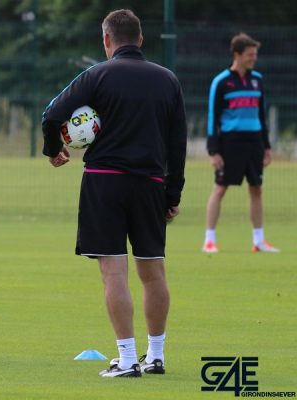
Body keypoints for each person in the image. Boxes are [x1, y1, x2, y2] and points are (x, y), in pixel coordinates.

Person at [42, 9, 186, 378]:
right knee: (153, 272)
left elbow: (51, 115)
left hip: (104, 181)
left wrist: (52, 150)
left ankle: (125, 360)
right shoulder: (167, 80)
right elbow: (178, 142)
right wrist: (173, 194)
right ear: (141, 39)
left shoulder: (96, 74)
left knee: (114, 272)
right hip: (152, 184)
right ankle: (156, 357)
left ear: (107, 40)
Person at [202, 33, 279, 254]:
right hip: (230, 143)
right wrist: (213, 150)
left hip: (254, 142)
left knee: (257, 189)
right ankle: (209, 240)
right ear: (237, 54)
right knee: (220, 189)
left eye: (255, 54)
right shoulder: (221, 82)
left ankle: (259, 241)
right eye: (250, 54)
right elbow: (212, 118)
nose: (254, 58)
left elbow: (262, 116)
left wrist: (266, 147)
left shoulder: (258, 80)